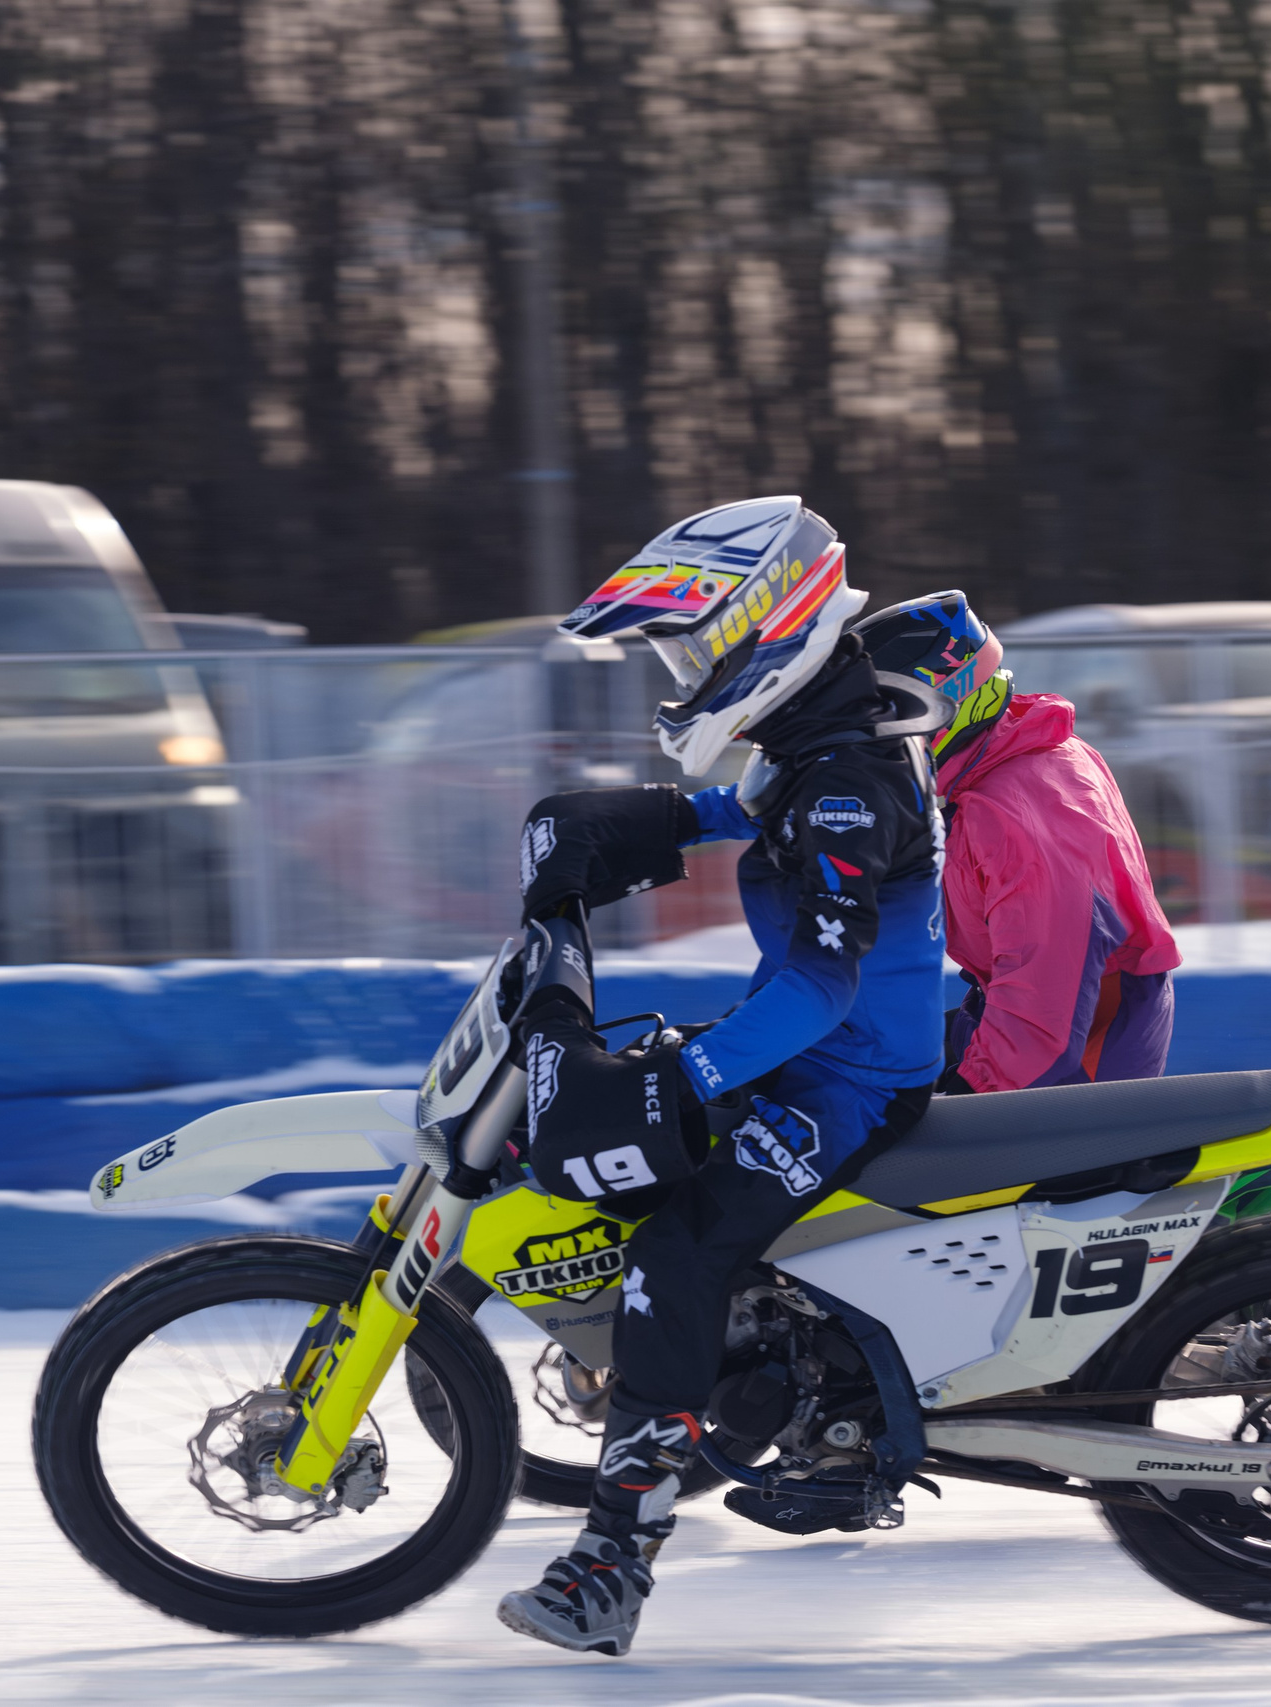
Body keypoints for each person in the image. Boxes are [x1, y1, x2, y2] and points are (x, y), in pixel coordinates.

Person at [495, 496, 950, 1657]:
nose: (684, 672)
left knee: (673, 1249)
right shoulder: (816, 737)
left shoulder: (847, 773)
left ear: (769, 625)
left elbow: (821, 992)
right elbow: (738, 809)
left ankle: (610, 1567)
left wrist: (685, 1078)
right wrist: (623, 832)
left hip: (841, 1079)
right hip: (804, 1047)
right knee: (642, 1135)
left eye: (693, 648)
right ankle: (759, 1384)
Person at [854, 593, 1179, 1092]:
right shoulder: (1007, 758)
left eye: (882, 724)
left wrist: (968, 1091)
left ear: (941, 705)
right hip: (1029, 1021)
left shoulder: (1015, 813)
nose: (872, 749)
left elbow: (1045, 993)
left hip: (1072, 1057)